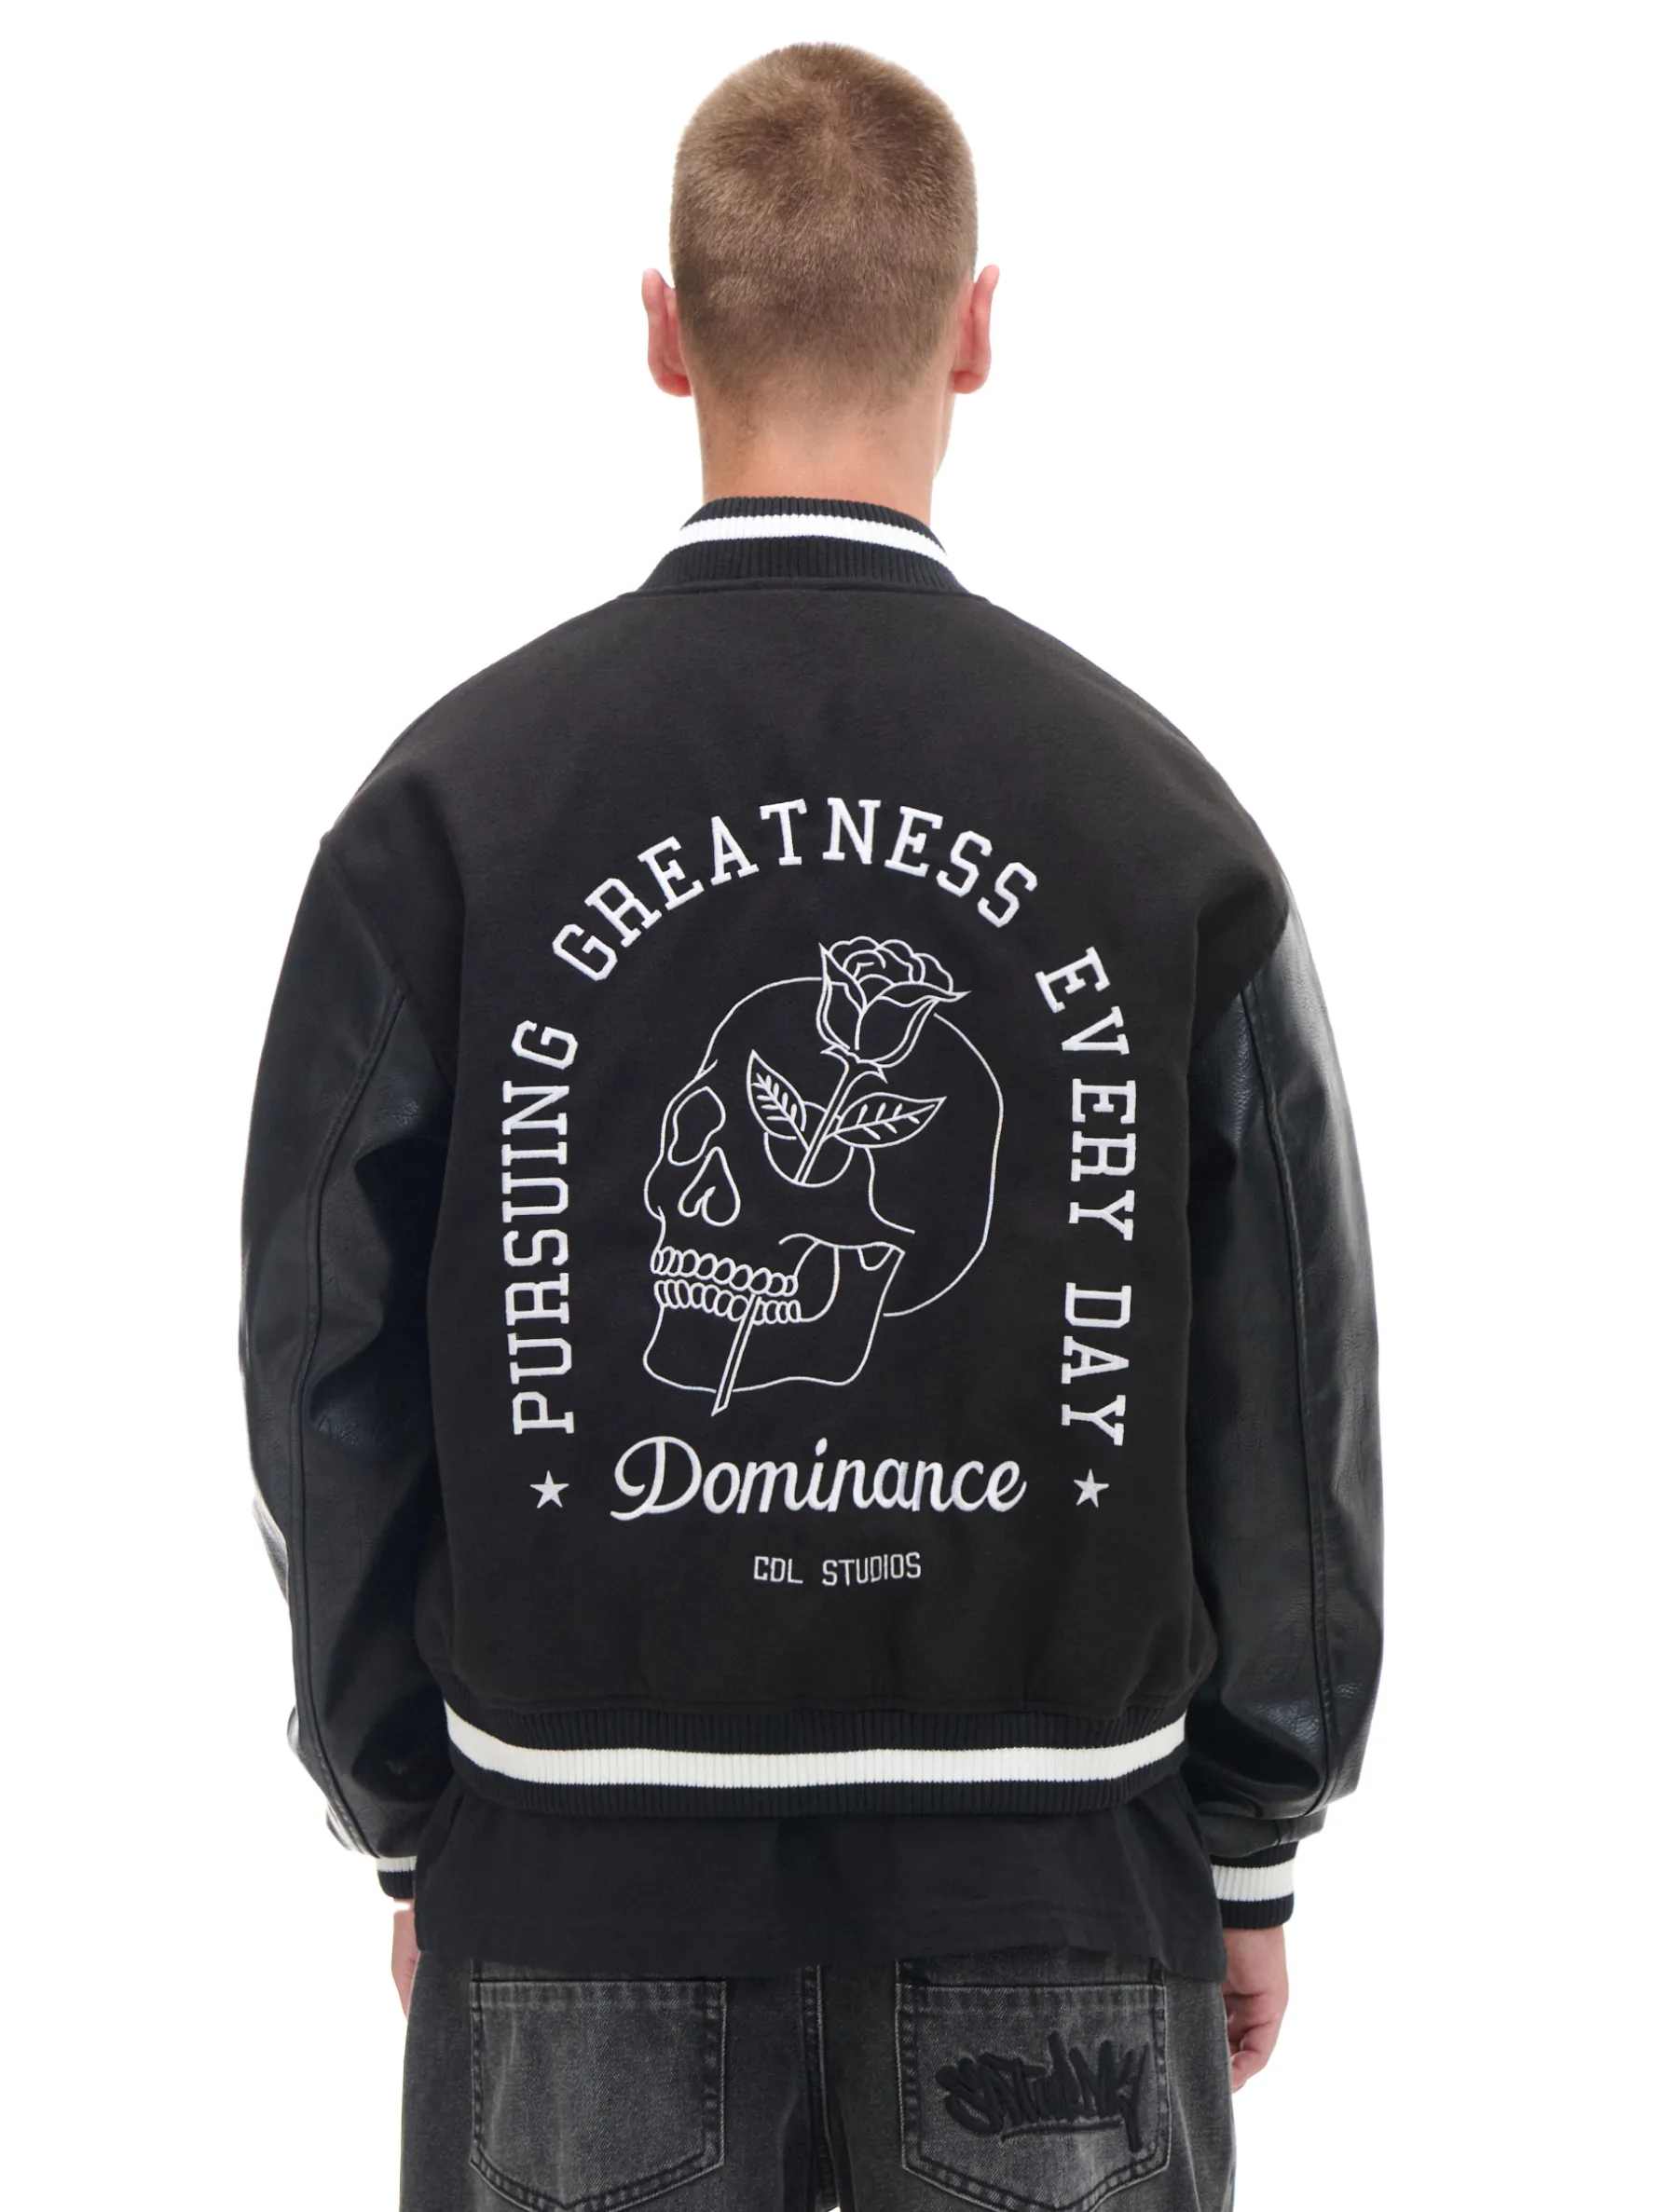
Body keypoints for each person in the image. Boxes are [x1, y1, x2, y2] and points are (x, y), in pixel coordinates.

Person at [239, 41, 1382, 2212]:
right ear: (974, 330)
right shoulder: (1152, 820)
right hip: (1057, 1868)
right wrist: (1248, 1831)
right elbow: (1284, 1359)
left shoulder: (453, 806)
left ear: (662, 331)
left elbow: (317, 1349)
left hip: (571, 1872)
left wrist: (419, 1805)